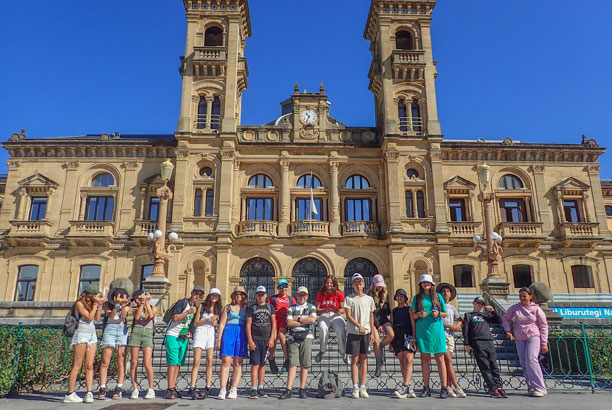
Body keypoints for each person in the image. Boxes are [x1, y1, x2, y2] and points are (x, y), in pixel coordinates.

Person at [502, 287, 549, 397]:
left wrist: (544, 342)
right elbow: (505, 318)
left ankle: (540, 387)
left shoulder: (537, 309)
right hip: (519, 337)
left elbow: (543, 326)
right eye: (520, 296)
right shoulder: (515, 308)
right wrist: (507, 330)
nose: (522, 298)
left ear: (530, 296)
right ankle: (531, 386)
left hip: (533, 336)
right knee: (524, 363)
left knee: (531, 359)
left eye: (524, 296)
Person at [64, 284, 105, 404]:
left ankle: (89, 392)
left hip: (92, 334)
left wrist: (99, 305)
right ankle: (70, 393)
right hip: (81, 334)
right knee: (77, 365)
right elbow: (89, 317)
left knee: (89, 365)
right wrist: (96, 304)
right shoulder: (79, 303)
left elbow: (97, 318)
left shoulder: (93, 304)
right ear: (90, 295)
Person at [411, 274, 449, 398]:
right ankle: (426, 387)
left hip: (436, 330)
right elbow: (413, 316)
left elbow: (445, 313)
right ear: (421, 284)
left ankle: (444, 387)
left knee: (440, 359)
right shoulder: (417, 298)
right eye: (423, 282)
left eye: (428, 282)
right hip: (422, 331)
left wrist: (438, 313)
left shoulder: (438, 297)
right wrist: (419, 314)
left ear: (432, 284)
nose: (425, 284)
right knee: (424, 359)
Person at [164, 285, 204, 399]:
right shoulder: (182, 303)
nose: (198, 296)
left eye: (200, 295)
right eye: (196, 293)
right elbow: (175, 318)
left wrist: (189, 333)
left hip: (183, 337)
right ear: (192, 292)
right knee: (172, 363)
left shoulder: (195, 307)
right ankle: (169, 389)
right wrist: (188, 312)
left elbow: (191, 324)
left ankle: (173, 388)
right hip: (172, 335)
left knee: (178, 364)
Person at [463, 296, 507, 398]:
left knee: (494, 365)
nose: (479, 305)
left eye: (481, 304)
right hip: (477, 342)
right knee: (485, 366)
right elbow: (465, 331)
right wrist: (467, 344)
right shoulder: (469, 315)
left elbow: (498, 320)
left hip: (489, 341)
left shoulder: (486, 315)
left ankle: (499, 386)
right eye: (478, 303)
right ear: (473, 303)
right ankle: (492, 387)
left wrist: (493, 311)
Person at [279, 286, 317, 399]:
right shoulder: (291, 308)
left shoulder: (312, 307)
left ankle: (302, 389)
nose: (302, 297)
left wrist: (298, 320)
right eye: (300, 295)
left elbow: (312, 320)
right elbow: (289, 323)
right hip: (293, 337)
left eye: (304, 295)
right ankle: (289, 389)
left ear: (307, 296)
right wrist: (304, 321)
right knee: (293, 364)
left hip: (307, 336)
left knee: (305, 364)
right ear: (296, 296)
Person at [344, 273, 376, 399]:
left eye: (360, 282)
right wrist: (359, 326)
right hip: (354, 332)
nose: (358, 284)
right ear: (352, 284)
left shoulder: (369, 299)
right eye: (356, 282)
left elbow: (371, 316)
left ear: (363, 284)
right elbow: (348, 315)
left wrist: (372, 332)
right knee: (354, 359)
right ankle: (355, 386)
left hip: (366, 332)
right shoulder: (349, 299)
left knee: (363, 359)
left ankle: (363, 386)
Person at [188, 288, 222, 400]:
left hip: (210, 333)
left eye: (217, 296)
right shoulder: (202, 306)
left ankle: (208, 386)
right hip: (200, 332)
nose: (214, 297)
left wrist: (214, 321)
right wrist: (208, 320)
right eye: (213, 295)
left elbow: (216, 323)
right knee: (196, 361)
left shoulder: (218, 309)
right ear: (210, 295)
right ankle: (192, 386)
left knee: (209, 361)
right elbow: (196, 322)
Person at [97, 287, 131, 400]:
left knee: (121, 360)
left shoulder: (127, 305)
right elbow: (111, 315)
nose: (121, 298)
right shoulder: (107, 304)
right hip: (110, 330)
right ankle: (102, 387)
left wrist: (123, 305)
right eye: (119, 296)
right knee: (105, 361)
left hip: (121, 330)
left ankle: (119, 386)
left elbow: (123, 316)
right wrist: (116, 305)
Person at [216, 286, 248, 400]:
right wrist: (219, 339)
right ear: (233, 295)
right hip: (228, 333)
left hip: (241, 334)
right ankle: (223, 388)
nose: (239, 295)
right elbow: (221, 324)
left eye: (241, 293)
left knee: (238, 362)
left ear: (244, 296)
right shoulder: (228, 308)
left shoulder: (246, 308)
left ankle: (234, 389)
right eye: (237, 293)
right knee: (226, 361)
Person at [246, 286, 277, 399]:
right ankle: (253, 388)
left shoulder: (270, 307)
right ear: (255, 295)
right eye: (259, 294)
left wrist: (272, 338)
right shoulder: (251, 308)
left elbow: (274, 324)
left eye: (262, 294)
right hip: (255, 339)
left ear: (266, 295)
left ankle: (260, 387)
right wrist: (250, 340)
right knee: (255, 364)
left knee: (262, 364)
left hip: (266, 339)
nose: (261, 296)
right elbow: (248, 325)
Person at [436, 282, 466, 398]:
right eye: (443, 291)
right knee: (447, 361)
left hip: (450, 337)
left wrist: (458, 325)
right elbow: (437, 322)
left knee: (447, 362)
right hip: (441, 335)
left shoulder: (452, 308)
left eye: (447, 291)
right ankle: (456, 385)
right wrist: (451, 326)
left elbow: (459, 319)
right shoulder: (437, 307)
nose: (445, 293)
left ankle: (448, 386)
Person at [128, 290, 157, 400]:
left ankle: (151, 388)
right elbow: (137, 317)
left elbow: (150, 315)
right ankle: (135, 388)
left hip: (147, 333)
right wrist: (141, 304)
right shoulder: (135, 308)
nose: (137, 300)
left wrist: (147, 302)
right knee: (134, 362)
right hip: (136, 332)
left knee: (147, 362)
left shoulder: (153, 307)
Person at [390, 288, 417, 399]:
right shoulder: (394, 311)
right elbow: (392, 324)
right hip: (397, 335)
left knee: (409, 359)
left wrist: (414, 338)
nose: (399, 297)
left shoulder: (410, 309)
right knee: (402, 360)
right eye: (397, 296)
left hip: (408, 333)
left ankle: (405, 386)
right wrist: (391, 341)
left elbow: (413, 324)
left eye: (401, 295)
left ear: (405, 298)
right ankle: (409, 386)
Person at [314, 275, 347, 364]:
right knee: (322, 328)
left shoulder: (339, 294)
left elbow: (343, 309)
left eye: (331, 283)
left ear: (334, 284)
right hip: (324, 314)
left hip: (335, 315)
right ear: (324, 284)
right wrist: (324, 309)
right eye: (327, 282)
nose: (329, 284)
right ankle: (322, 350)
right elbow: (316, 309)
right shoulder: (321, 294)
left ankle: (343, 352)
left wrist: (338, 310)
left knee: (340, 328)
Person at [367, 274, 395, 377]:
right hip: (372, 320)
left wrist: (384, 305)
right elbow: (371, 312)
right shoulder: (369, 295)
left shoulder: (385, 294)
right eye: (378, 285)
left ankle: (381, 348)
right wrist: (378, 325)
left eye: (381, 285)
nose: (380, 287)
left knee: (391, 335)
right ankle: (379, 364)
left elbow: (387, 312)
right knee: (376, 341)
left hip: (383, 319)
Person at [268, 279, 296, 373]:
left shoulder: (291, 299)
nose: (283, 288)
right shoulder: (273, 298)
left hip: (285, 321)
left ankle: (287, 359)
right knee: (274, 338)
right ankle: (271, 358)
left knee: (281, 335)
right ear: (277, 288)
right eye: (281, 286)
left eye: (285, 286)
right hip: (275, 320)